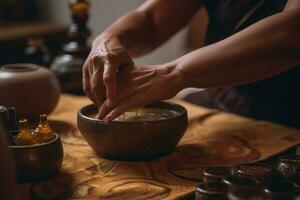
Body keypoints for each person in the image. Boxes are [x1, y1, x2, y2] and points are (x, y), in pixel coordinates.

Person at [83, 0, 300, 128]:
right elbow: (151, 20)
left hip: (286, 115)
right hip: (222, 99)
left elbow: (292, 31)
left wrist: (172, 73)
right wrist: (107, 40)